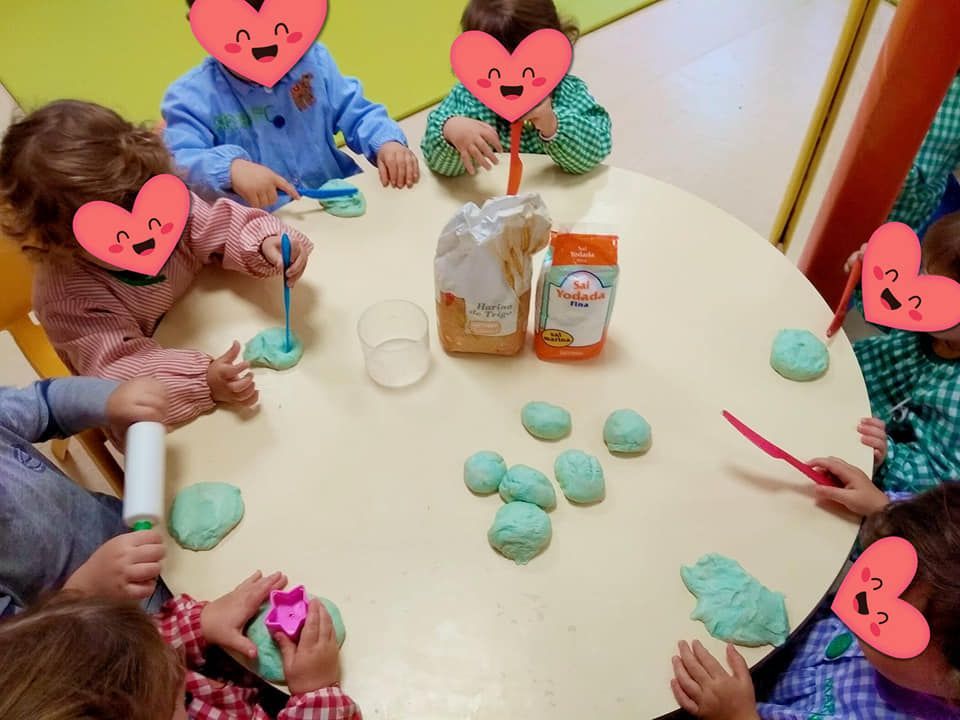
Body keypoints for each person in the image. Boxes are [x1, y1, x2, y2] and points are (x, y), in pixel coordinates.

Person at [0, 100, 313, 427]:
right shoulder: (68, 297)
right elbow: (119, 378)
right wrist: (202, 381)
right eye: (112, 230)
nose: (141, 229)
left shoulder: (155, 201)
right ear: (59, 240)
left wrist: (263, 242)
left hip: (210, 314)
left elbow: (216, 225)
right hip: (172, 383)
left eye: (141, 205)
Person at [670, 468, 960, 719]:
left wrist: (737, 716)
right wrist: (882, 508)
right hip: (798, 646)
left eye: (890, 620)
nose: (861, 600)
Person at [163, 0, 419, 211]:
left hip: (340, 199)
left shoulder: (314, 60)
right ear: (200, 24)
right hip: (264, 232)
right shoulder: (189, 97)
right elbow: (181, 161)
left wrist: (386, 142)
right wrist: (231, 169)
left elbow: (356, 111)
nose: (264, 43)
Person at [0, 570, 362, 719]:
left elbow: (156, 637)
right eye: (175, 690)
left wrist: (202, 623)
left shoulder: (125, 671)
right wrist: (316, 693)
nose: (175, 659)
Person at [0, 376, 169, 617]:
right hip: (117, 627)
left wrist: (110, 400)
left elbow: (46, 403)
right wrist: (83, 591)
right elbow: (23, 647)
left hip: (132, 528)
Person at [421, 0, 611, 177]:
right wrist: (451, 133)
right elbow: (441, 167)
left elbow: (596, 152)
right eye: (495, 70)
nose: (511, 84)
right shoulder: (468, 99)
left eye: (527, 69)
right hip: (490, 204)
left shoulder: (566, 93)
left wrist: (552, 125)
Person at [843, 212, 960, 493]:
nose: (918, 296)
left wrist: (889, 455)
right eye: (924, 276)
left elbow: (940, 478)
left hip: (867, 460)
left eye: (941, 297)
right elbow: (888, 310)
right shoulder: (929, 323)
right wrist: (867, 278)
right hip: (843, 381)